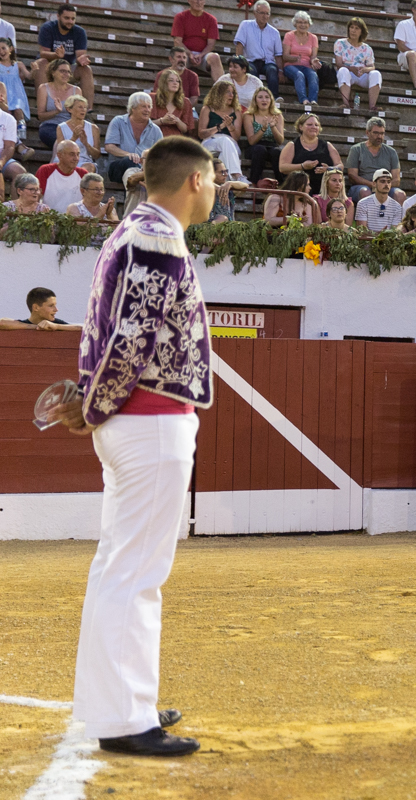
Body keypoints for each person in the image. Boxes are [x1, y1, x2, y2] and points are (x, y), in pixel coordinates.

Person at [46, 136, 216, 758]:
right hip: (149, 421)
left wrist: (93, 405)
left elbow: (116, 333)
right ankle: (123, 717)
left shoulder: (130, 231)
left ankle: (121, 701)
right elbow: (134, 335)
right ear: (195, 181)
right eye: (215, 180)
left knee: (121, 566)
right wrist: (93, 408)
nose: (218, 191)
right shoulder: (158, 238)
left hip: (134, 421)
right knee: (137, 572)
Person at [32, 5, 93, 111]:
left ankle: (87, 109)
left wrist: (81, 60)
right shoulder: (48, 28)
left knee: (86, 69)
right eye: (67, 18)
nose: (70, 21)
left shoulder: (79, 32)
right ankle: (42, 106)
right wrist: (56, 56)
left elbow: (80, 55)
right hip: (49, 67)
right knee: (41, 63)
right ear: (58, 16)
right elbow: (43, 53)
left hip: (68, 68)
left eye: (73, 18)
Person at [103, 93, 162, 195]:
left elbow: (162, 154)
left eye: (149, 107)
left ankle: (135, 184)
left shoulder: (156, 130)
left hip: (143, 170)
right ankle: (140, 182)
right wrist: (128, 154)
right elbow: (109, 147)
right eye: (143, 106)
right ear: (133, 108)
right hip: (118, 167)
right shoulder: (118, 121)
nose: (147, 110)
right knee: (130, 161)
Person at [279, 112, 341, 195]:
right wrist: (302, 166)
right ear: (300, 127)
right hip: (299, 187)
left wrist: (329, 169)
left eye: (316, 125)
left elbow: (340, 165)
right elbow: (282, 167)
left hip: (323, 188)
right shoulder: (292, 145)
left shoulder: (327, 145)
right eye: (309, 124)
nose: (313, 127)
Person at [198, 82, 246, 185]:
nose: (231, 95)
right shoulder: (207, 109)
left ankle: (225, 184)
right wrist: (220, 127)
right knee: (225, 140)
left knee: (224, 152)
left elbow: (236, 137)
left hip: (231, 144)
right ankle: (237, 176)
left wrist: (230, 126)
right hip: (210, 141)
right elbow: (201, 133)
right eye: (228, 92)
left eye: (232, 93)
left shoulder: (236, 111)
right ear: (219, 94)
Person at [346, 117, 402, 202]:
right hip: (362, 187)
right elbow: (352, 176)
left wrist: (383, 186)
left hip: (385, 187)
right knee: (365, 192)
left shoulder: (391, 152)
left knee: (400, 194)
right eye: (376, 133)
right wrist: (374, 185)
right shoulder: (356, 149)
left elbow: (396, 180)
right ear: (367, 132)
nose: (379, 136)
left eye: (382, 133)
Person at [234, 0, 282, 98]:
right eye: (262, 13)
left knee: (272, 70)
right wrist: (239, 63)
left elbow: (278, 55)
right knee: (251, 71)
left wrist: (281, 71)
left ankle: (274, 98)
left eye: (267, 13)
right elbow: (239, 45)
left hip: (267, 62)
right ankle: (253, 98)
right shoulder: (245, 25)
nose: (265, 16)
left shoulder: (274, 32)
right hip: (250, 60)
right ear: (255, 13)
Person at [334, 17, 382, 110]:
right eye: (351, 27)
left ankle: (372, 106)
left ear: (361, 31)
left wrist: (364, 70)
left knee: (376, 74)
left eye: (357, 28)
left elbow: (372, 66)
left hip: (362, 73)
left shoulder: (367, 48)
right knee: (342, 71)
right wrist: (351, 68)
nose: (353, 31)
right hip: (348, 72)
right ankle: (346, 104)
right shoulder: (340, 43)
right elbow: (339, 64)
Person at [171, 0, 223, 80]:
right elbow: (177, 41)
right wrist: (190, 54)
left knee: (215, 57)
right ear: (189, 1)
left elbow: (211, 44)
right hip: (185, 54)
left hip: (203, 55)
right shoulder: (180, 17)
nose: (198, 2)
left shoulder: (211, 20)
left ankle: (222, 89)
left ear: (204, 2)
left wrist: (201, 55)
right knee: (178, 57)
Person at [242, 86, 284, 186]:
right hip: (254, 147)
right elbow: (252, 141)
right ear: (255, 101)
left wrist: (273, 127)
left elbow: (280, 141)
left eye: (267, 97)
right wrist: (263, 129)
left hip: (272, 145)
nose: (264, 100)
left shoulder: (277, 115)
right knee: (260, 150)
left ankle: (282, 184)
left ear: (271, 100)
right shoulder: (249, 115)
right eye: (260, 97)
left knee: (277, 152)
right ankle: (254, 182)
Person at [35, 57, 79, 148]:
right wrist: (56, 111)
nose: (66, 74)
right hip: (50, 126)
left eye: (68, 72)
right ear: (53, 72)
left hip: (69, 125)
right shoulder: (43, 88)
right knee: (62, 142)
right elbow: (40, 115)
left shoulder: (76, 90)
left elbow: (78, 115)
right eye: (62, 71)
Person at [35, 139, 86, 212]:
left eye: (78, 154)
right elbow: (35, 196)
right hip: (48, 220)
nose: (76, 158)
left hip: (76, 220)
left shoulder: (83, 174)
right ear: (59, 155)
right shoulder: (45, 170)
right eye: (72, 154)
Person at [282, 11, 322, 105]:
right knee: (299, 75)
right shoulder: (289, 35)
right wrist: (295, 58)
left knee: (313, 75)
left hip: (307, 66)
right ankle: (304, 100)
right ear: (295, 24)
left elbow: (313, 56)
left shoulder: (313, 38)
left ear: (309, 24)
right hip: (290, 66)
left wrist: (314, 61)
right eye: (300, 22)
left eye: (305, 23)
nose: (303, 25)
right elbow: (285, 56)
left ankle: (313, 100)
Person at [0, 286, 82, 330]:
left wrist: (56, 326)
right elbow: (2, 322)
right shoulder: (22, 324)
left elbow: (82, 329)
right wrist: (36, 327)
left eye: (55, 305)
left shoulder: (56, 323)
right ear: (36, 307)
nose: (56, 309)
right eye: (51, 306)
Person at [354, 169, 405, 233]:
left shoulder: (397, 207)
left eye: (389, 182)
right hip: (368, 242)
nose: (386, 184)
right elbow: (362, 232)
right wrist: (379, 236)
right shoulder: (363, 204)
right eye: (382, 181)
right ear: (374, 184)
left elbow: (394, 232)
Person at [150, 69, 194, 138]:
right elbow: (145, 124)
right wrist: (162, 121)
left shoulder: (185, 102)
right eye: (171, 80)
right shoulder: (152, 98)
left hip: (175, 140)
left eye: (177, 81)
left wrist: (177, 121)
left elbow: (185, 129)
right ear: (164, 82)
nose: (175, 83)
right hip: (155, 137)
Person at [0, 36, 30, 134]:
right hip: (4, 95)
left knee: (18, 110)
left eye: (3, 48)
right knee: (7, 112)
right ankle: (9, 132)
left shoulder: (18, 64)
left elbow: (29, 76)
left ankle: (21, 132)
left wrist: (34, 70)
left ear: (11, 49)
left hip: (17, 94)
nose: (1, 51)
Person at [206, 157, 247, 223]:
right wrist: (217, 188)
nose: (226, 174)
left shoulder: (228, 188)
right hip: (205, 227)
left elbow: (245, 186)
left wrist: (230, 183)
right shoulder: (204, 188)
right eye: (222, 172)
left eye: (226, 171)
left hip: (228, 227)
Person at [0, 92, 23, 198]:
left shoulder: (8, 119)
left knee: (20, 173)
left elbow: (9, 146)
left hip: (2, 154)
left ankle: (13, 211)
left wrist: (1, 162)